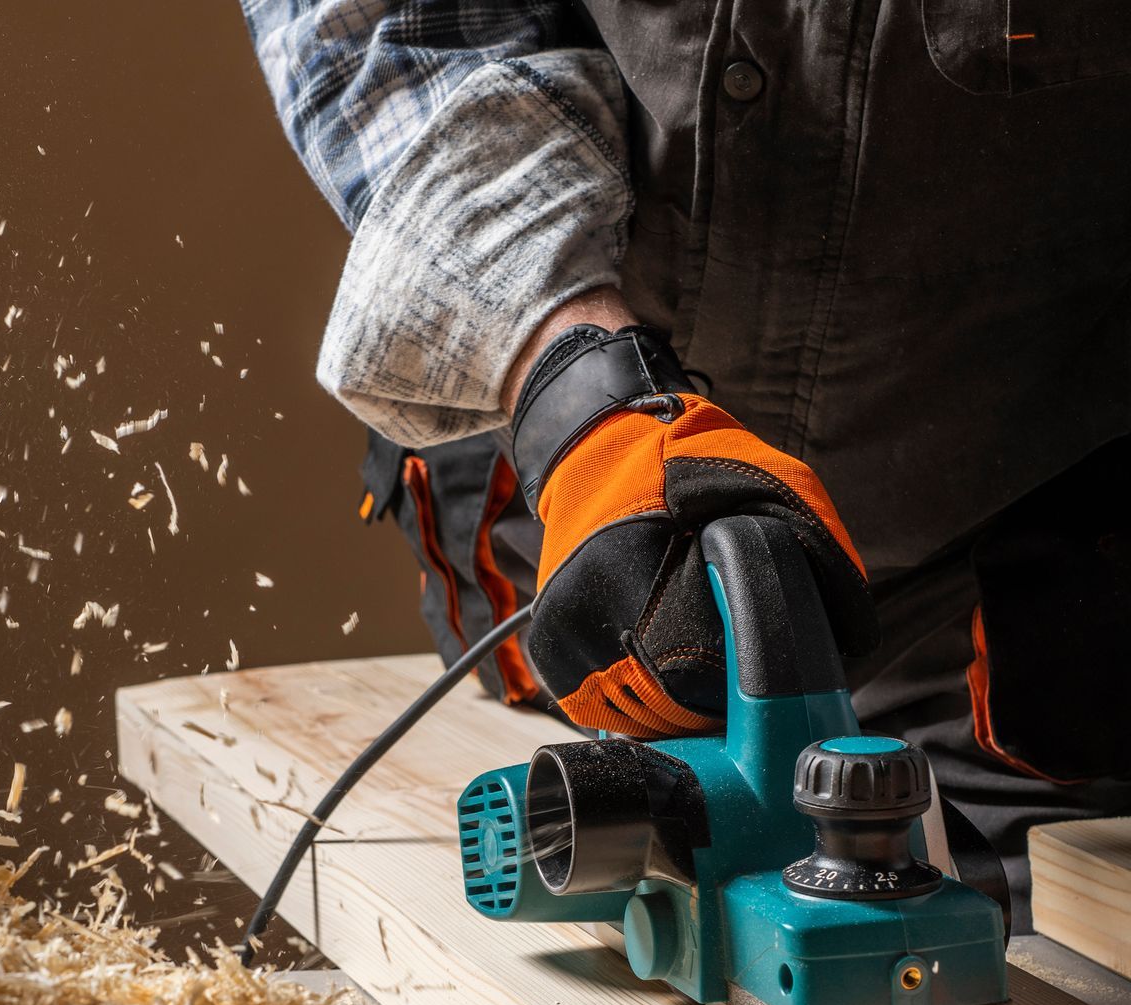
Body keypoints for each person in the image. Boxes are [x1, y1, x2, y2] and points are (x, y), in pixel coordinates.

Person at [239, 1, 1131, 928]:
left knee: (1044, 974)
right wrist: (578, 396)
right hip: (572, 532)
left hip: (1026, 576)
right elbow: (401, 30)